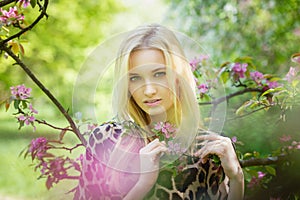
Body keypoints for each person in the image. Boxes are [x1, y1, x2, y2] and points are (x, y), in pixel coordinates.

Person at [73, 24, 244, 200]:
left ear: (179, 77)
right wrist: (143, 185)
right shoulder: (106, 140)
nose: (148, 90)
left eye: (159, 74)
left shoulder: (204, 148)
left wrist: (237, 178)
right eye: (135, 78)